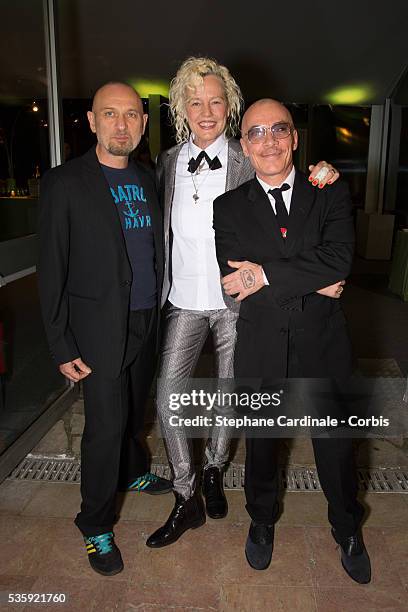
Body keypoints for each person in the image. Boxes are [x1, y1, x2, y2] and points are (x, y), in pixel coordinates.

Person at [146, 56, 341, 549]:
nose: (206, 110)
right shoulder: (166, 163)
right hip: (184, 299)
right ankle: (185, 491)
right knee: (169, 395)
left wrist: (324, 171)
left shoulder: (249, 151)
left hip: (244, 304)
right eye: (196, 102)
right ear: (181, 109)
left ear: (229, 106)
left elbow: (287, 186)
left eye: (215, 100)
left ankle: (214, 470)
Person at [213, 99, 371, 583]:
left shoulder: (328, 191)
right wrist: (309, 276)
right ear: (245, 145)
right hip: (262, 344)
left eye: (279, 130)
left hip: (323, 343)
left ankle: (347, 528)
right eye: (256, 133)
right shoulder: (229, 206)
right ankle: (261, 522)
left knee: (336, 445)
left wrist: (268, 274)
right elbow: (235, 280)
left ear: (295, 139)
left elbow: (339, 261)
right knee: (262, 443)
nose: (269, 141)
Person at [37, 82, 172, 576]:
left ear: (141, 123)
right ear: (92, 122)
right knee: (104, 428)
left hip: (145, 319)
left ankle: (134, 471)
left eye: (131, 115)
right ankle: (94, 523)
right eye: (109, 115)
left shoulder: (148, 177)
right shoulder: (65, 182)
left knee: (136, 410)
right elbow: (51, 268)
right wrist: (60, 341)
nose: (121, 124)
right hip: (96, 328)